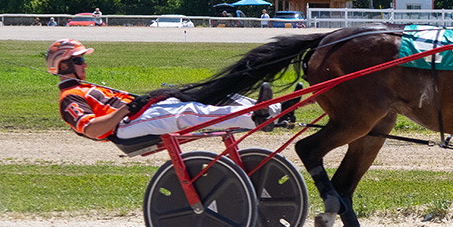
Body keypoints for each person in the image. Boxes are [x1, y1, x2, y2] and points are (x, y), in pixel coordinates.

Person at [47, 39, 279, 142]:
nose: (85, 64)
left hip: (139, 114)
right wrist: (127, 108)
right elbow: (92, 130)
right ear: (64, 65)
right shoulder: (69, 98)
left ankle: (277, 110)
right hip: (123, 128)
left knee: (208, 94)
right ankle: (255, 118)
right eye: (79, 60)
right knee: (188, 112)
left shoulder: (86, 87)